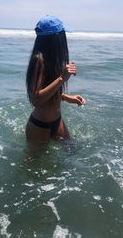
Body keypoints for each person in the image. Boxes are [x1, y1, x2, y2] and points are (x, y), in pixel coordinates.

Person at [25, 15, 86, 148]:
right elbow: (35, 100)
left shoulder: (54, 60)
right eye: (62, 35)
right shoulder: (38, 60)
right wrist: (61, 78)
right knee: (33, 165)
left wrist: (65, 97)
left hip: (57, 121)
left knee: (72, 150)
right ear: (55, 39)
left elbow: (48, 90)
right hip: (40, 125)